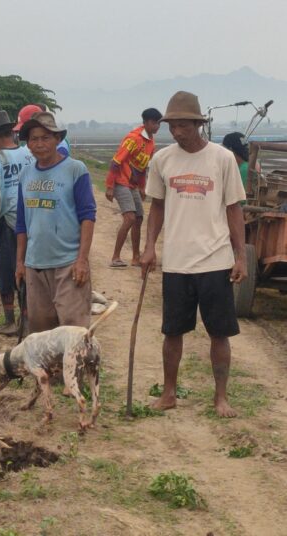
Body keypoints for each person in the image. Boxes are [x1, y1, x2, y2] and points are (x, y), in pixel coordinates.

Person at [140, 91, 247, 418]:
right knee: (172, 331)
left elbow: (233, 210)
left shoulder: (222, 158)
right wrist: (148, 248)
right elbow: (156, 207)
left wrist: (240, 255)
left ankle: (220, 397)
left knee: (219, 332)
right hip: (176, 262)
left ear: (198, 124)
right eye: (172, 126)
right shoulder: (163, 160)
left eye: (183, 125)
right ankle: (169, 393)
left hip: (215, 261)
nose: (177, 132)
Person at [14, 111, 97, 333]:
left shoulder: (75, 170)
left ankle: (74, 369)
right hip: (35, 266)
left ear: (58, 140)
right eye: (34, 139)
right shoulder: (25, 175)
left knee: (73, 333)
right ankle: (52, 371)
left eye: (45, 137)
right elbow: (21, 223)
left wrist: (82, 260)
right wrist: (20, 262)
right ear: (28, 144)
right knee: (41, 335)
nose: (39, 144)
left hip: (67, 265)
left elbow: (88, 216)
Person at [0, 110, 33, 335]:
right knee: (29, 270)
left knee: (7, 272)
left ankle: (11, 322)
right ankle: (28, 321)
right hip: (31, 220)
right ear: (12, 132)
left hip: (9, 221)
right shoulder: (29, 154)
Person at [105, 108, 162, 267]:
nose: (158, 126)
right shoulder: (133, 139)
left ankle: (136, 257)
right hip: (120, 181)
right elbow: (116, 162)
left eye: (159, 123)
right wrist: (110, 186)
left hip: (133, 185)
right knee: (129, 217)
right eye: (155, 123)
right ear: (147, 123)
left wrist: (142, 188)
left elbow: (143, 168)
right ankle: (115, 257)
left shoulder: (151, 143)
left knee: (138, 218)